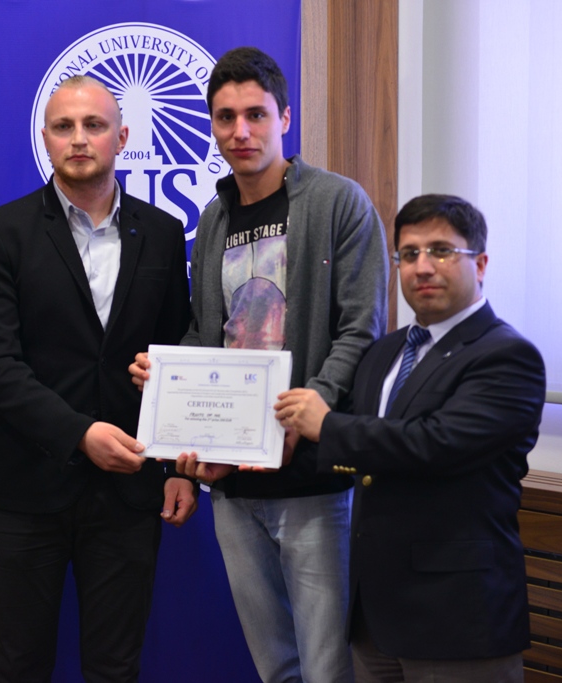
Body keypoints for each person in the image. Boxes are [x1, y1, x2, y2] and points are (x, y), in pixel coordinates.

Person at [131, 46, 388, 682]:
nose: (240, 132)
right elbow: (207, 330)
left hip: (311, 482)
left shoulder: (338, 203)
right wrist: (167, 382)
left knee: (327, 668)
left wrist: (307, 411)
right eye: (225, 117)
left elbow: (362, 328)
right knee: (275, 668)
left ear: (285, 118)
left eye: (256, 115)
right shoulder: (214, 218)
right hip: (233, 483)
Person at [0, 75, 195, 683]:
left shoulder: (163, 233)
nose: (79, 139)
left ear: (123, 136)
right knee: (19, 667)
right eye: (64, 127)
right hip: (25, 490)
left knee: (116, 668)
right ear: (45, 138)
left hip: (130, 491)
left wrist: (179, 468)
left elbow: (180, 353)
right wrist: (79, 434)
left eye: (94, 125)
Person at [275, 194, 546, 682]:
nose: (422, 267)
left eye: (442, 251)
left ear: (481, 264)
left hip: (456, 619)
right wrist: (247, 455)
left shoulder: (507, 356)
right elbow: (352, 452)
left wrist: (326, 425)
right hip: (374, 618)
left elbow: (435, 445)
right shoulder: (385, 351)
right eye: (409, 253)